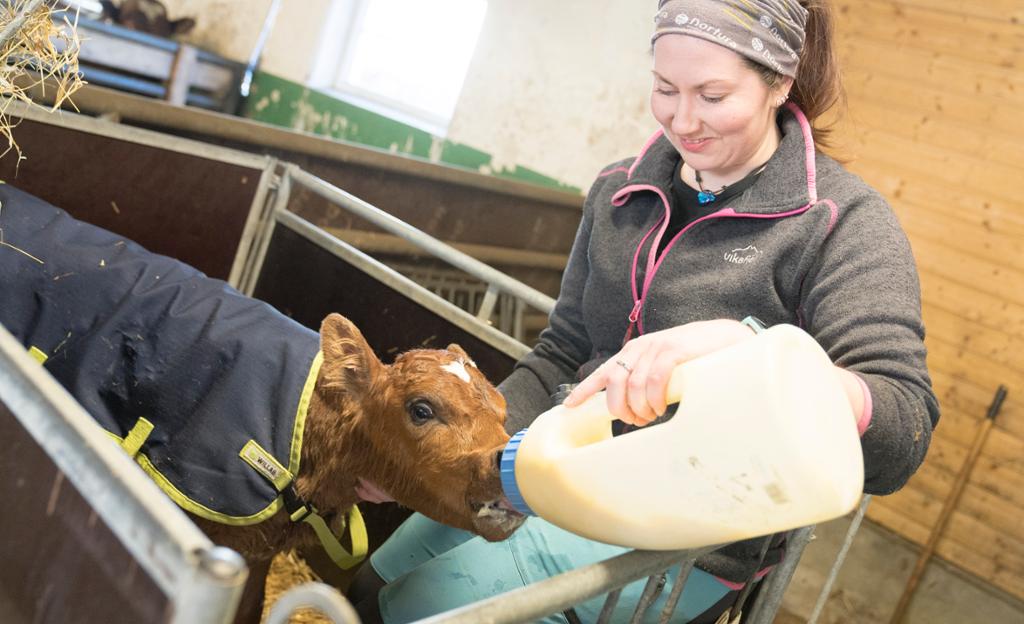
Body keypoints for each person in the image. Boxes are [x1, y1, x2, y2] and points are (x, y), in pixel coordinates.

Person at [348, 1, 940, 622]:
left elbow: (901, 431)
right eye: (665, 88)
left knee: (426, 605)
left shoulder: (840, 225)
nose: (683, 120)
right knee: (379, 576)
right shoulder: (619, 191)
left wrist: (750, 351)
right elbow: (561, 351)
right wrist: (443, 461)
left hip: (689, 528)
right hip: (557, 459)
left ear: (780, 82)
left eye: (713, 95)